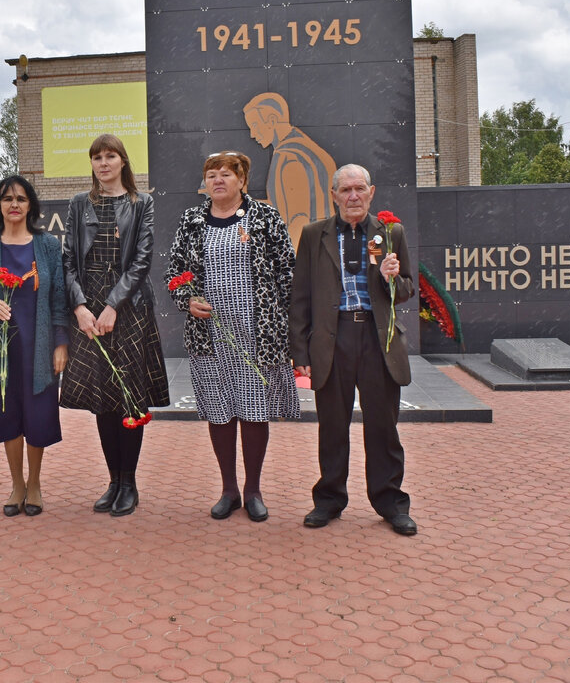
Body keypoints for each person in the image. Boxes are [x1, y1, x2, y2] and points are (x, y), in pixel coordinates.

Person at [165, 151, 299, 522]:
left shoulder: (265, 217)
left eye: (226, 174)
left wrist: (293, 329)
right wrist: (186, 299)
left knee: (255, 410)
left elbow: (287, 271)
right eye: (211, 174)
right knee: (219, 412)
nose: (218, 180)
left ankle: (253, 489)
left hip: (259, 334)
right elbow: (174, 270)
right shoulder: (192, 220)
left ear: (242, 180)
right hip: (209, 336)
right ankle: (229, 489)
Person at [289, 163, 417, 536]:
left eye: (359, 189)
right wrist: (300, 353)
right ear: (334, 196)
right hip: (333, 339)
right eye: (345, 190)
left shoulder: (389, 233)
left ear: (371, 192)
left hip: (379, 341)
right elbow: (301, 297)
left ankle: (390, 502)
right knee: (332, 426)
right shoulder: (315, 235)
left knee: (382, 426)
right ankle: (328, 500)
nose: (353, 196)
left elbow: (407, 290)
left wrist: (392, 278)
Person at [61, 134, 170, 517]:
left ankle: (130, 483)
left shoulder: (142, 203)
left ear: (123, 161)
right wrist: (79, 307)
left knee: (129, 395)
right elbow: (68, 260)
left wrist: (112, 305)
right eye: (96, 157)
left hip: (129, 308)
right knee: (102, 399)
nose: (103, 163)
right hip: (88, 311)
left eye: (110, 156)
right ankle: (112, 480)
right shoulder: (78, 204)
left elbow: (142, 260)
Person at [0, 175, 69, 517]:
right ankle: (16, 484)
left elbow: (58, 298)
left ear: (31, 205)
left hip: (38, 347)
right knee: (7, 415)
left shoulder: (48, 245)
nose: (14, 205)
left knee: (36, 417)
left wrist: (61, 344)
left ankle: (35, 483)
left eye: (21, 199)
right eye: (7, 199)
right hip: (0, 347)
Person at [243, 91, 338, 251]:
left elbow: (298, 218)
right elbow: (283, 206)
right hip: (327, 246)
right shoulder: (313, 151)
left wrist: (290, 266)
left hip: (306, 251)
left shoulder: (288, 156)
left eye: (255, 126)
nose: (252, 134)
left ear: (272, 120)